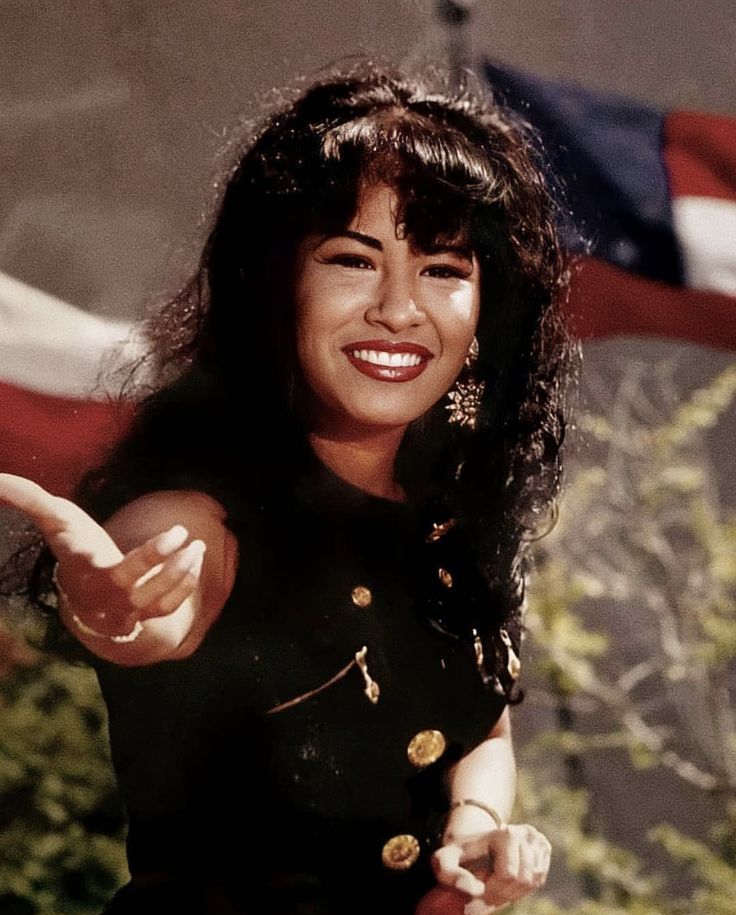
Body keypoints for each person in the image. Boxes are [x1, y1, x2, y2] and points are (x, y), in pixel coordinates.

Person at [0, 63, 574, 914]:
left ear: (488, 312)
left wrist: (474, 830)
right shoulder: (197, 513)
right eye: (353, 257)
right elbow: (151, 609)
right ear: (277, 285)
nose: (398, 308)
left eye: (443, 269)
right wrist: (109, 612)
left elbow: (483, 722)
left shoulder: (452, 520)